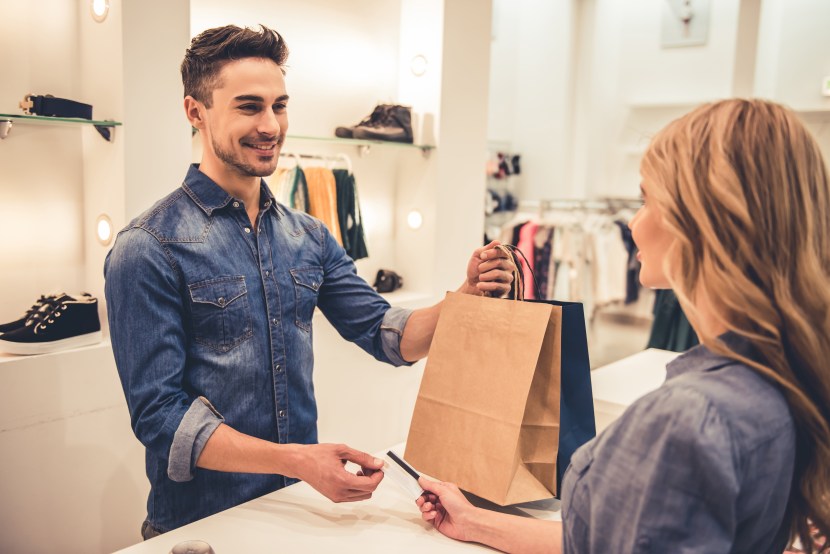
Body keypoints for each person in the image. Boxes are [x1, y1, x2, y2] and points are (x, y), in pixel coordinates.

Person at [103, 24, 515, 538]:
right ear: (196, 112)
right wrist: (299, 460)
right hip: (200, 527)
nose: (271, 125)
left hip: (298, 514)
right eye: (249, 107)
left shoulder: (308, 236)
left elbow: (386, 334)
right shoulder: (148, 246)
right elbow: (161, 418)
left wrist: (466, 298)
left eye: (279, 105)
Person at [415, 99, 830, 553]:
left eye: (647, 200)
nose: (632, 222)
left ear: (702, 221)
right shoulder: (781, 376)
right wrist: (478, 523)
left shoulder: (689, 420)